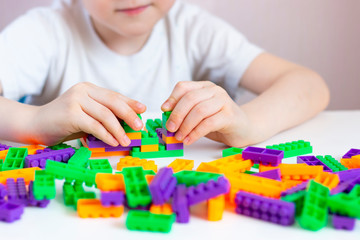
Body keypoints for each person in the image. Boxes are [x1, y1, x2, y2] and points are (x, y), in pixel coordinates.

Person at [0, 0, 329, 148]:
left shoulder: (194, 28)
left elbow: (308, 85)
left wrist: (248, 123)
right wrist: (34, 122)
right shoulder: (45, 31)